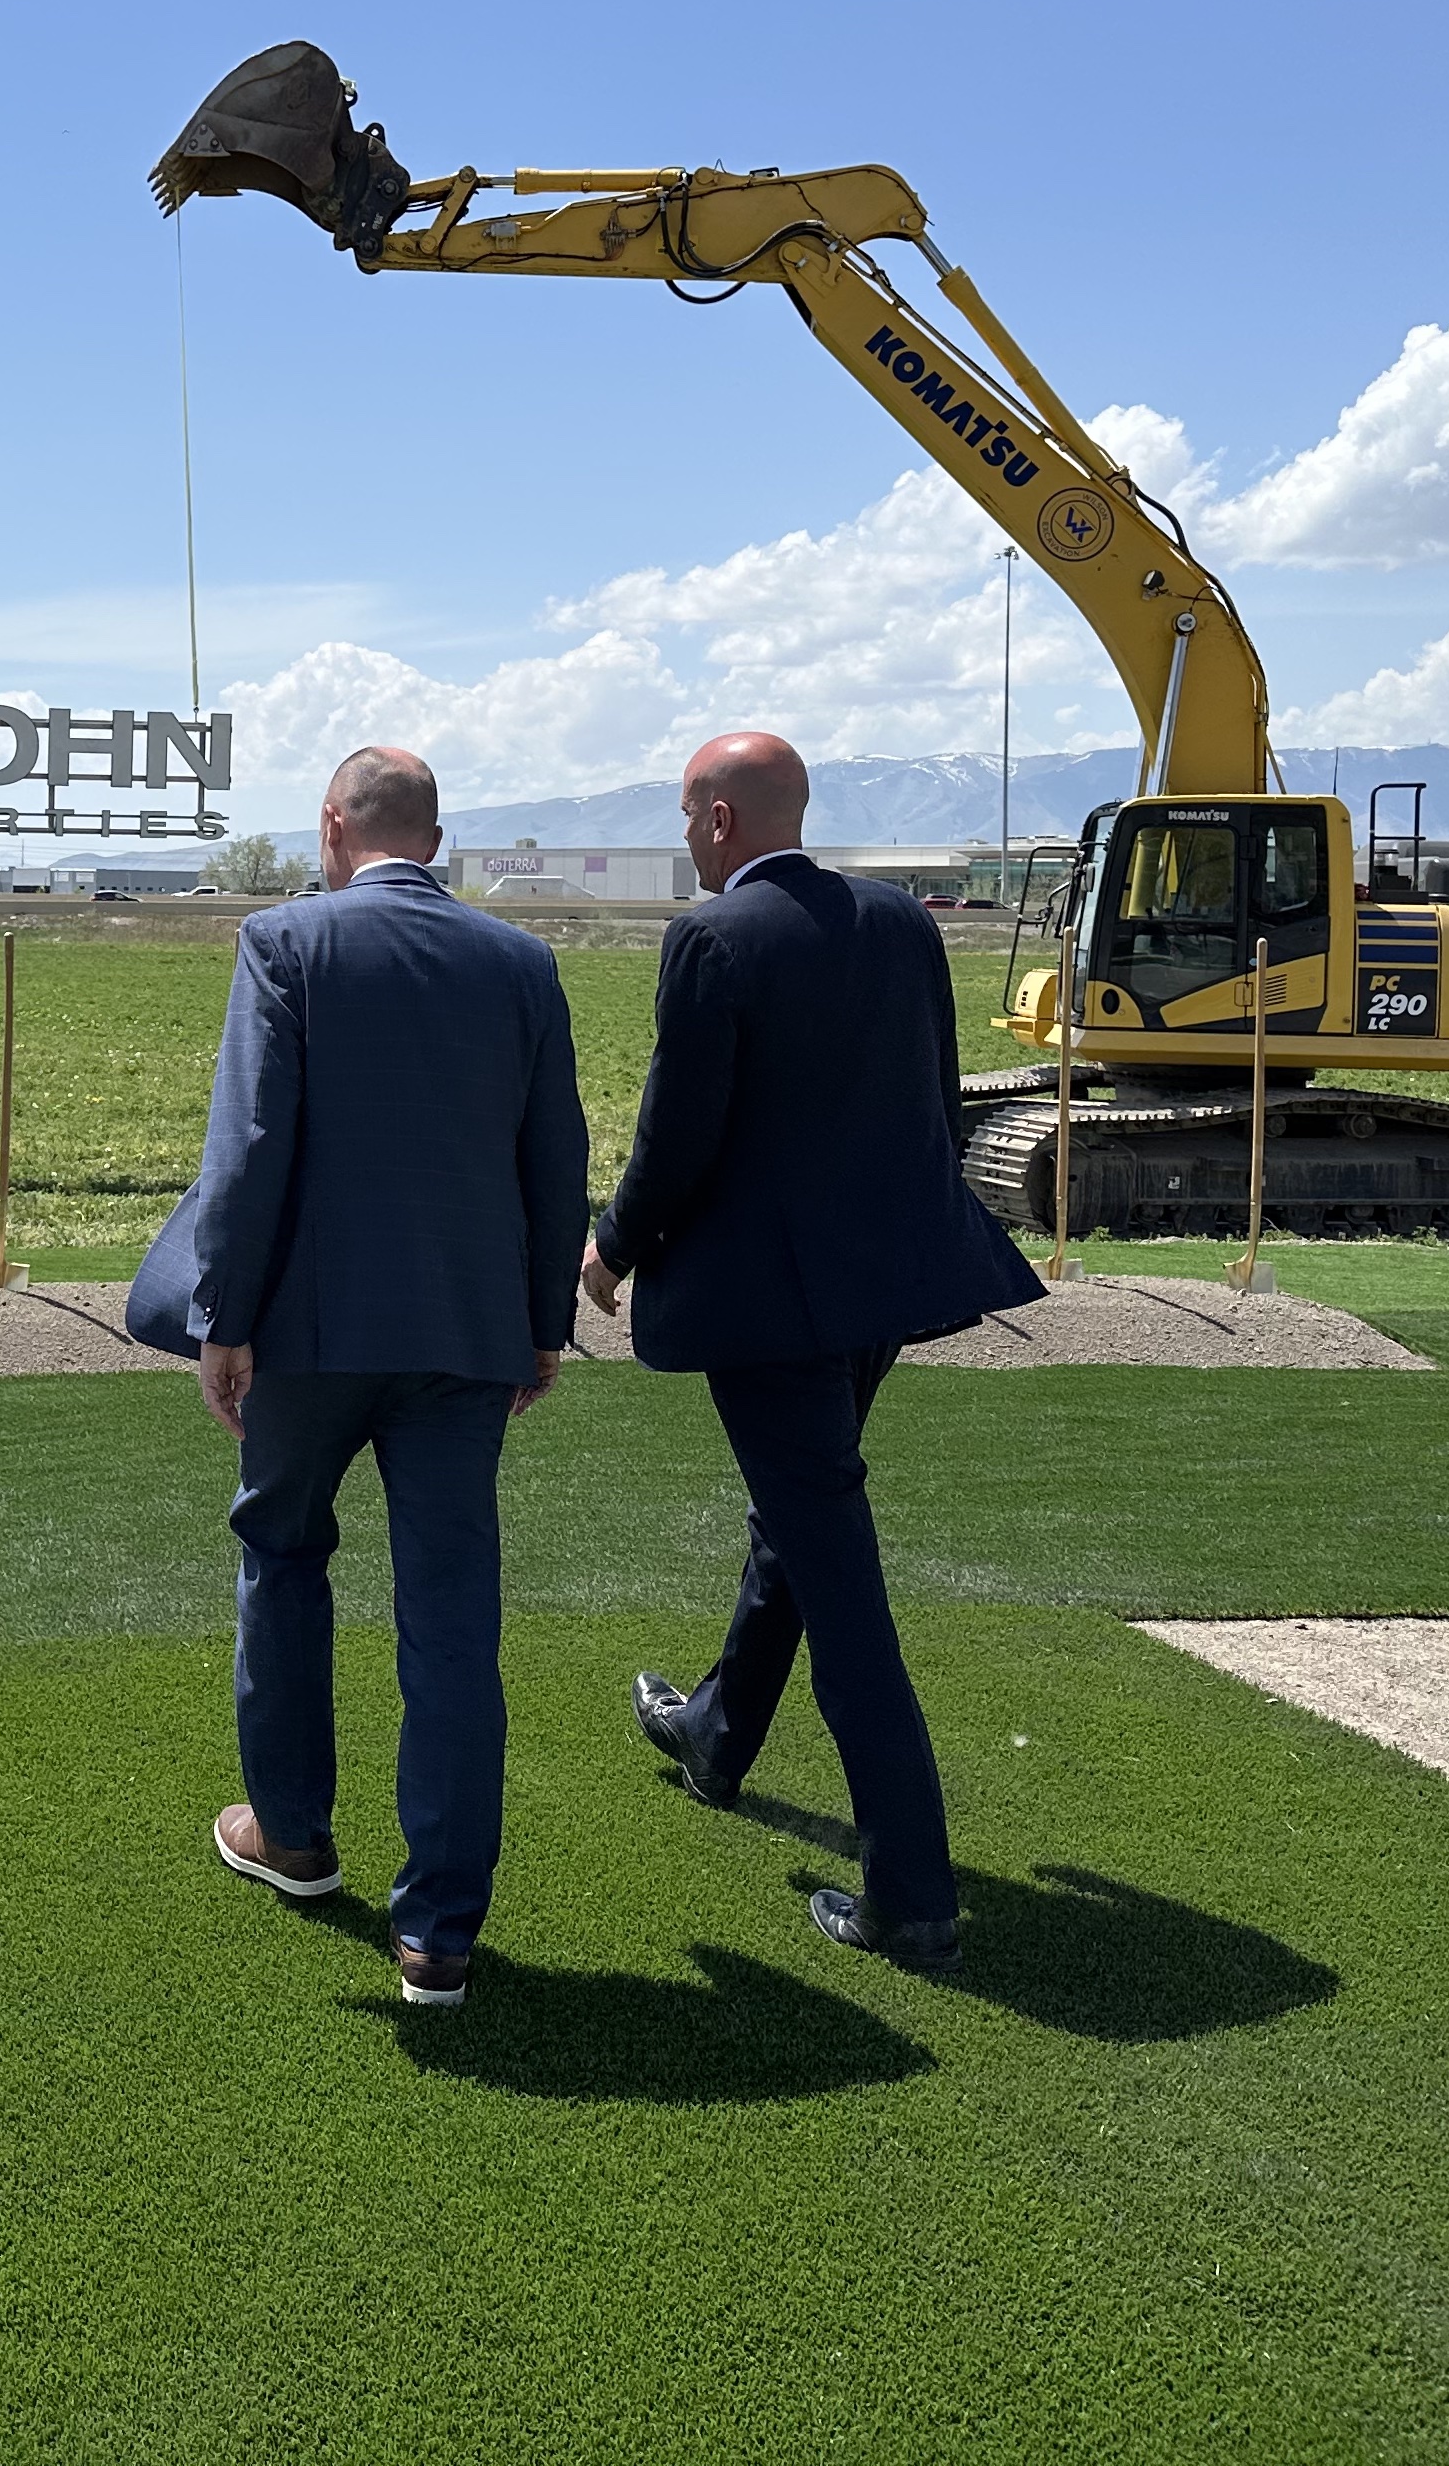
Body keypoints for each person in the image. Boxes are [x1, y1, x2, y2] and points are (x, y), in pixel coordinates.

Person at [581, 730, 1040, 1969]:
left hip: (772, 1305)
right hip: (884, 1287)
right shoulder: (900, 923)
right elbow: (937, 1102)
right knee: (800, 1517)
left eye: (686, 814)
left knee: (838, 1574)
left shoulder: (713, 939)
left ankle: (914, 1894)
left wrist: (613, 1245)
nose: (684, 835)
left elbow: (680, 1131)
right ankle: (718, 1738)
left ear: (720, 821)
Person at [147, 744, 587, 2007]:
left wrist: (222, 1317)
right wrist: (541, 1323)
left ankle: (292, 1836)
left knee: (282, 1552)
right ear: (434, 837)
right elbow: (556, 1154)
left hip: (310, 1334)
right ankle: (440, 1932)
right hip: (465, 1336)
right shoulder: (522, 964)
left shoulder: (286, 944)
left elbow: (250, 1145)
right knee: (453, 1617)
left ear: (332, 827)